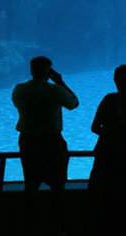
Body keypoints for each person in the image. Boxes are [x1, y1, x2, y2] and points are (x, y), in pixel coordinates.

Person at [11, 56, 79, 234]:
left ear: (31, 70)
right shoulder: (54, 90)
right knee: (58, 186)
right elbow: (74, 103)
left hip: (28, 141)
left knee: (30, 184)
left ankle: (29, 226)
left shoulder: (19, 90)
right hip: (51, 141)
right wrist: (60, 82)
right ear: (49, 72)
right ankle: (56, 226)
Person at [87, 65, 126, 235]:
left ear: (115, 81)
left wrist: (110, 134)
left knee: (101, 199)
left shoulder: (109, 99)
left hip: (106, 155)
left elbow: (94, 127)